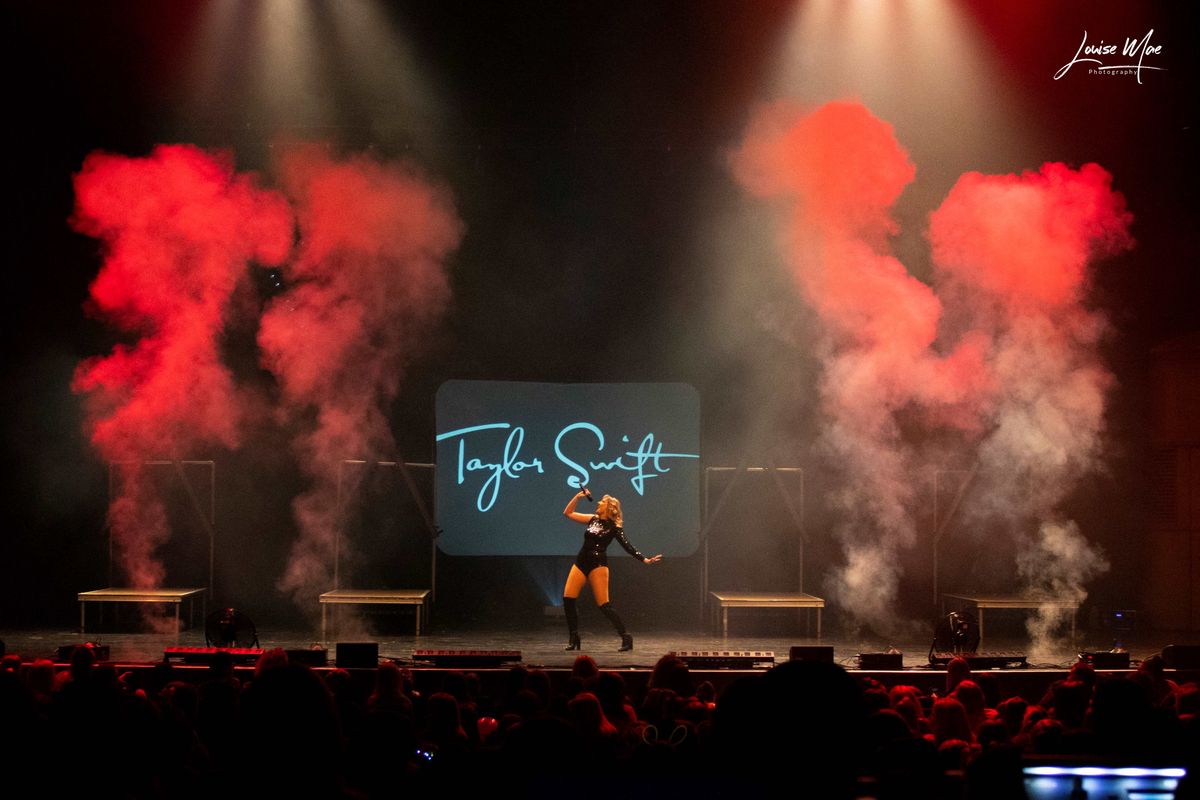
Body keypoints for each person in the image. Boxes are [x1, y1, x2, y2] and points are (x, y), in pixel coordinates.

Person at [561, 489, 661, 651]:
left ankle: (625, 637)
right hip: (581, 562)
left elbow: (627, 546)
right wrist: (577, 497)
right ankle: (574, 636)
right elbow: (568, 512)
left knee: (604, 605)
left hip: (598, 565)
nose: (598, 503)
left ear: (607, 508)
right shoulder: (592, 519)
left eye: (602, 502)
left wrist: (644, 559)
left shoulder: (614, 527)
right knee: (568, 599)